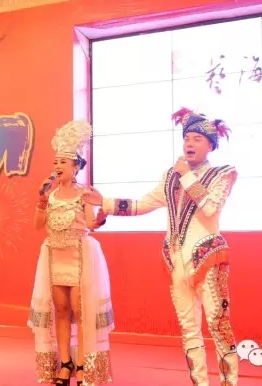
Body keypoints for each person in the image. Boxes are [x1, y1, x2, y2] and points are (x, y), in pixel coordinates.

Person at [83, 108, 239, 386]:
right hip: (176, 259)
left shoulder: (223, 174)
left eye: (197, 139)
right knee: (189, 328)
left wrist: (186, 176)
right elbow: (144, 204)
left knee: (218, 324)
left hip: (208, 258)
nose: (189, 143)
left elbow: (209, 209)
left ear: (211, 145)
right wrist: (105, 202)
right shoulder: (171, 176)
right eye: (187, 138)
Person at [28, 120, 114, 386]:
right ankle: (65, 363)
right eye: (55, 162)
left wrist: (100, 219)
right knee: (61, 309)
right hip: (54, 256)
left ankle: (83, 364)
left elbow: (90, 224)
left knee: (80, 310)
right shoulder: (51, 195)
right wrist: (41, 201)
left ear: (76, 167)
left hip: (78, 257)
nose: (57, 166)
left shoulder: (84, 194)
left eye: (63, 162)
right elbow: (37, 226)